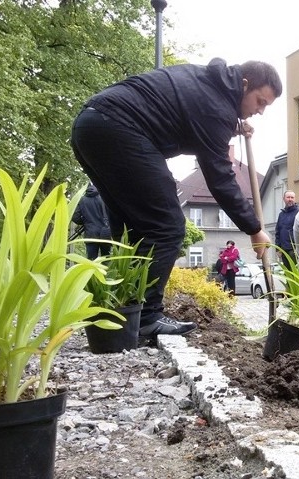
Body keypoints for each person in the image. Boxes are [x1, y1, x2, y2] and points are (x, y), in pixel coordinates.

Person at [71, 58, 280, 340]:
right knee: (167, 226)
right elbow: (220, 179)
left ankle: (118, 318)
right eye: (260, 101)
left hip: (91, 125)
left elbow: (194, 118)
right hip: (120, 127)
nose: (260, 111)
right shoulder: (216, 106)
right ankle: (146, 318)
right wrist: (254, 228)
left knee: (131, 231)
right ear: (244, 85)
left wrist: (233, 127)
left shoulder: (207, 83)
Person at [72, 183, 112, 260]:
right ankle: (107, 272)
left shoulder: (83, 200)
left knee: (91, 261)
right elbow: (112, 214)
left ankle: (92, 272)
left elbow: (75, 216)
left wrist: (85, 222)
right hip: (105, 233)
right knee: (106, 259)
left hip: (90, 233)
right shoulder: (104, 198)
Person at [275, 190, 299, 269]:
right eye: (288, 197)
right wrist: (277, 248)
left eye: (292, 197)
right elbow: (278, 232)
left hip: (295, 250)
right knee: (287, 274)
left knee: (297, 273)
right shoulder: (281, 214)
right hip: (284, 251)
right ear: (284, 199)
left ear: (295, 199)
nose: (290, 199)